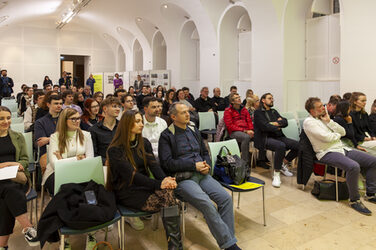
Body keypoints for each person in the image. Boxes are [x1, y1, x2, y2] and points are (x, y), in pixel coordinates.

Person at [158, 102, 240, 250]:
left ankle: (228, 240)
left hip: (202, 174)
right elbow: (167, 163)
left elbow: (204, 152)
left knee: (225, 199)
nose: (187, 114)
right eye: (183, 113)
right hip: (183, 179)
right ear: (173, 116)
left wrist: (207, 165)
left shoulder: (193, 129)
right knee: (206, 204)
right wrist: (193, 165)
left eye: (188, 111)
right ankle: (230, 245)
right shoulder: (166, 136)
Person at [107, 110, 182, 248]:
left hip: (145, 185)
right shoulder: (115, 149)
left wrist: (166, 180)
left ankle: (175, 246)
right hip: (127, 190)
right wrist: (160, 184)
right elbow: (132, 176)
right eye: (137, 121)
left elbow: (154, 166)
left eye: (141, 121)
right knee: (170, 200)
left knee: (169, 196)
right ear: (126, 124)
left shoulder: (143, 142)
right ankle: (176, 246)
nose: (141, 124)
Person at [304, 97, 376, 215]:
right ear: (312, 111)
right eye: (320, 106)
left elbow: (343, 132)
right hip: (326, 152)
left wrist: (329, 122)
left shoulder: (324, 118)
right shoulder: (309, 122)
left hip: (342, 148)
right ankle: (354, 200)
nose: (324, 108)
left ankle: (371, 194)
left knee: (373, 161)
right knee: (353, 166)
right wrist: (336, 135)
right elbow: (326, 138)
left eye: (323, 105)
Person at [42, 108, 95, 249]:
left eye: (78, 118)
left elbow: (89, 159)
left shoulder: (86, 135)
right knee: (66, 194)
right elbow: (54, 164)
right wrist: (77, 159)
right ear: (64, 121)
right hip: (56, 174)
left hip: (81, 172)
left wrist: (64, 158)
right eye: (73, 119)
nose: (77, 121)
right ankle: (65, 237)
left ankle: (91, 232)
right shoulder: (55, 136)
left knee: (91, 193)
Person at [0, 106, 39, 248]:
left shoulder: (18, 136)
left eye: (8, 118)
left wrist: (12, 165)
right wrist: (5, 165)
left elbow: (24, 160)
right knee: (8, 192)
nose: (6, 121)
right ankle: (28, 227)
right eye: (1, 118)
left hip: (16, 178)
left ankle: (2, 246)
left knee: (8, 192)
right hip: (4, 183)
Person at [253, 93, 298, 187]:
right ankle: (276, 174)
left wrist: (274, 124)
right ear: (263, 100)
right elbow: (264, 126)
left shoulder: (274, 111)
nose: (272, 100)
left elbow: (285, 122)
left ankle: (282, 163)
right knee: (280, 146)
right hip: (265, 138)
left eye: (272, 98)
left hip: (278, 136)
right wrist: (277, 124)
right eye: (269, 98)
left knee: (298, 145)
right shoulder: (258, 112)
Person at [34, 94, 63, 174]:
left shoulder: (66, 119)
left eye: (60, 103)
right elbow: (41, 142)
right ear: (48, 104)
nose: (59, 106)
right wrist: (61, 136)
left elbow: (71, 137)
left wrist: (49, 139)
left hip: (65, 149)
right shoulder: (40, 122)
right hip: (48, 152)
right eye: (56, 103)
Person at [224, 93, 254, 166]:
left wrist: (251, 130)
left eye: (239, 97)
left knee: (259, 134)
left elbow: (249, 121)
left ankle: (260, 160)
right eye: (236, 98)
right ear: (232, 101)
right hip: (234, 132)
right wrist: (245, 131)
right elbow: (230, 126)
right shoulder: (228, 111)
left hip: (246, 131)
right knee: (246, 137)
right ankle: (244, 163)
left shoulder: (244, 110)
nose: (239, 99)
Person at [89, 97, 121, 164]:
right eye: (114, 106)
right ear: (105, 109)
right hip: (104, 167)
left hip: (123, 165)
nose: (118, 109)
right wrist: (105, 162)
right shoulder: (94, 130)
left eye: (119, 106)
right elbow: (92, 153)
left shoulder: (123, 127)